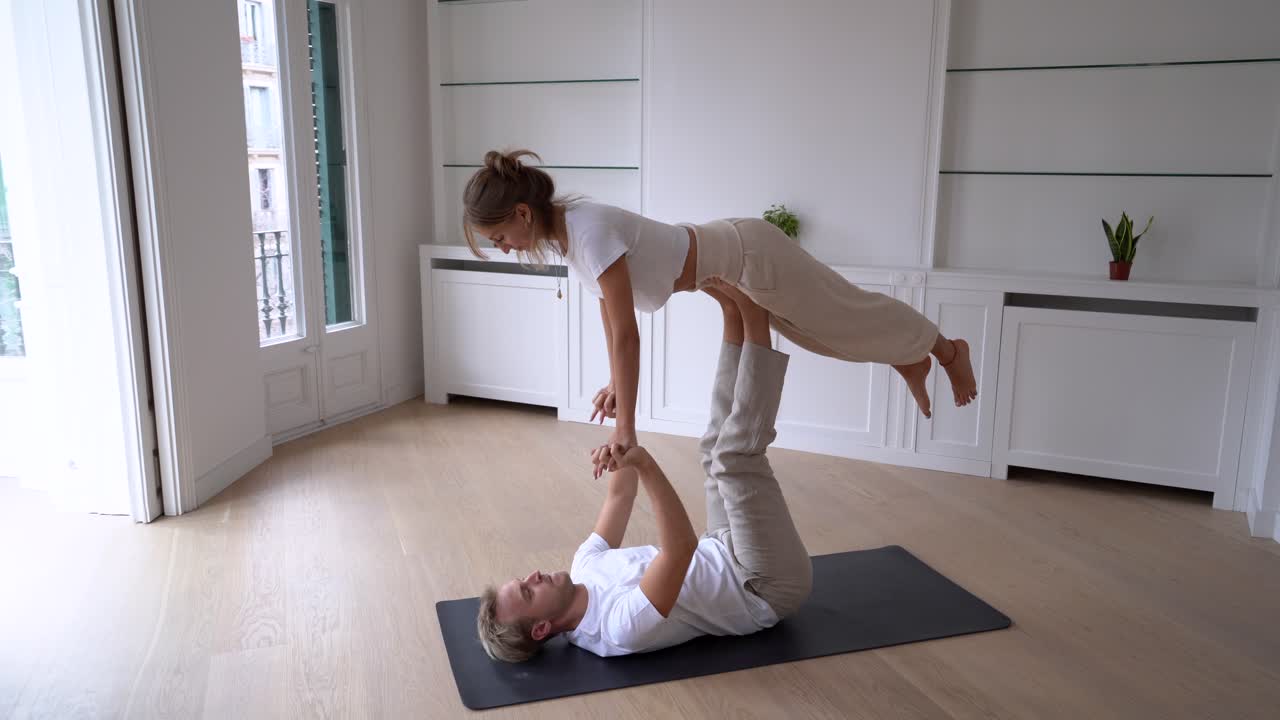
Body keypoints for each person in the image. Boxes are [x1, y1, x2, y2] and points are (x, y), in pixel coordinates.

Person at [461, 149, 979, 477]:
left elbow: (627, 335)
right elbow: (608, 314)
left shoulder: (587, 231)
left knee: (842, 314)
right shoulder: (570, 235)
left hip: (751, 256)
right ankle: (907, 358)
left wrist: (627, 430)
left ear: (523, 213)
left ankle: (946, 349)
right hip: (733, 260)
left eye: (500, 237)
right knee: (818, 335)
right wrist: (616, 386)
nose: (504, 247)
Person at [476, 280, 812, 661]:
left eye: (522, 579)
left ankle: (734, 316)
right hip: (761, 586)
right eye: (527, 592)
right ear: (541, 628)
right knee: (734, 460)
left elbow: (621, 494)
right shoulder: (618, 627)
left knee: (712, 448)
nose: (533, 574)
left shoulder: (584, 566)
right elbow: (680, 549)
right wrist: (644, 462)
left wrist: (621, 435)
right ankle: (755, 314)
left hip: (720, 545)